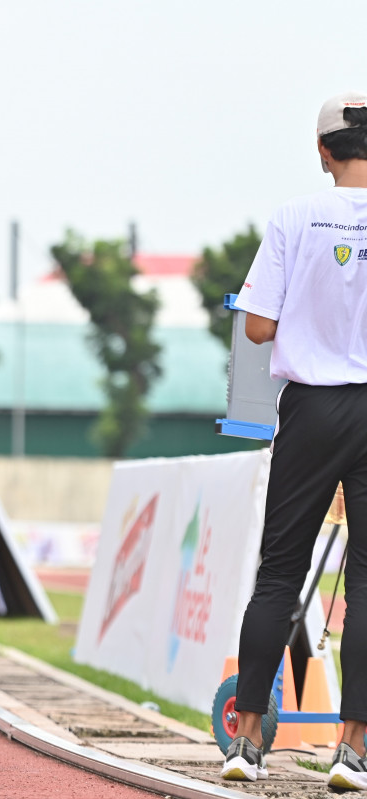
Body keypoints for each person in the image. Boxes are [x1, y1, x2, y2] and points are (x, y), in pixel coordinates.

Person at [221, 91, 367, 789]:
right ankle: (354, 750)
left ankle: (246, 741)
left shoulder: (293, 216)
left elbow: (256, 327)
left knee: (280, 572)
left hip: (311, 407)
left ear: (322, 150)